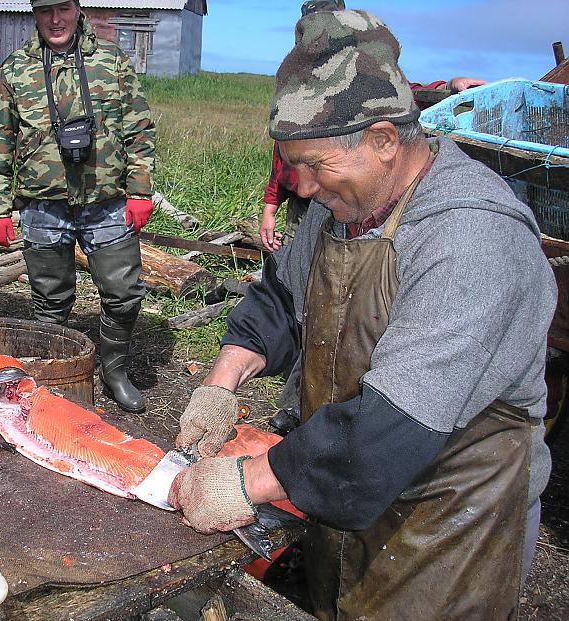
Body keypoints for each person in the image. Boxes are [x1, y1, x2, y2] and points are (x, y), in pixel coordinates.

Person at [169, 8, 555, 621]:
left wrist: (250, 482)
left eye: (314, 166)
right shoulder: (341, 210)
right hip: (342, 490)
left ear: (382, 140)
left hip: (446, 526)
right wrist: (222, 382)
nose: (300, 187)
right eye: (292, 165)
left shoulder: (472, 238)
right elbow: (277, 296)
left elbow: (390, 427)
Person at [0, 0, 156, 413]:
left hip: (106, 200)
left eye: (63, 9)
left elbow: (140, 128)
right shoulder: (15, 69)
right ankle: (51, 377)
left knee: (124, 293)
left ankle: (114, 372)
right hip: (44, 204)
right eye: (45, 12)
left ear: (78, 10)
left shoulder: (112, 61)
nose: (54, 20)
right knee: (50, 301)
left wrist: (140, 191)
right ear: (35, 16)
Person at [259, 2, 486, 252]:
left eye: (327, 24)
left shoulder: (363, 68)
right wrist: (271, 204)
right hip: (313, 203)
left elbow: (403, 97)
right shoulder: (296, 82)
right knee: (301, 251)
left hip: (335, 194)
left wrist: (446, 87)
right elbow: (282, 156)